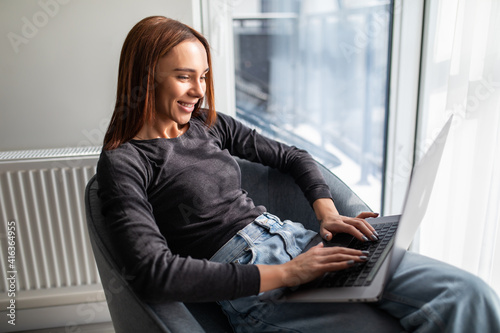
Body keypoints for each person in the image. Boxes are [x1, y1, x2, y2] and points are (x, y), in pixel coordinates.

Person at [96, 16, 500, 332]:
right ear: (145, 77)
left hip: (302, 241)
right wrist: (288, 273)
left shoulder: (207, 124)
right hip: (258, 286)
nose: (199, 90)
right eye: (184, 76)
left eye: (203, 76)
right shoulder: (125, 161)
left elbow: (294, 156)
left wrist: (325, 213)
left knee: (468, 295)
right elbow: (153, 273)